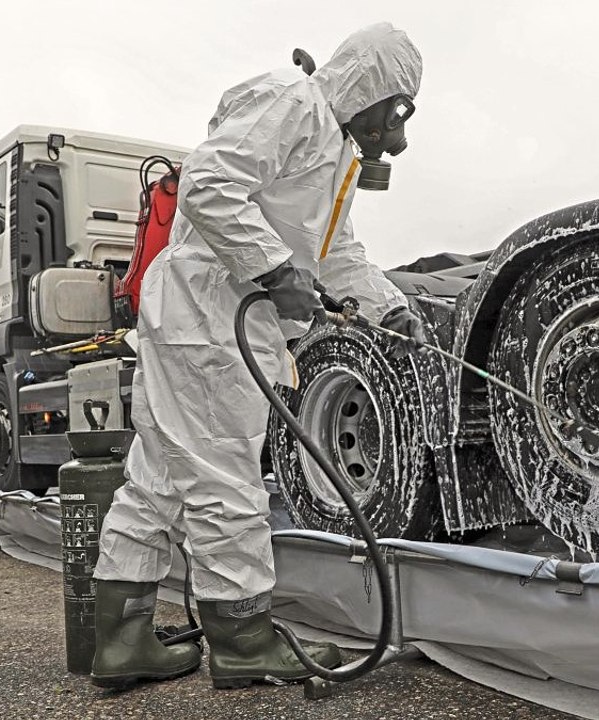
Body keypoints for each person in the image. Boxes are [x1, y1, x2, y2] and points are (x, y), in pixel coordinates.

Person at [89, 22, 425, 691]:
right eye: (396, 115)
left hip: (205, 316)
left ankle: (121, 640)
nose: (395, 136)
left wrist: (388, 307)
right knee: (227, 475)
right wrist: (274, 270)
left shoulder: (335, 151)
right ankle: (243, 639)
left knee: (159, 478)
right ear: (377, 92)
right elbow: (209, 182)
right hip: (210, 315)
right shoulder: (295, 103)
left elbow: (334, 253)